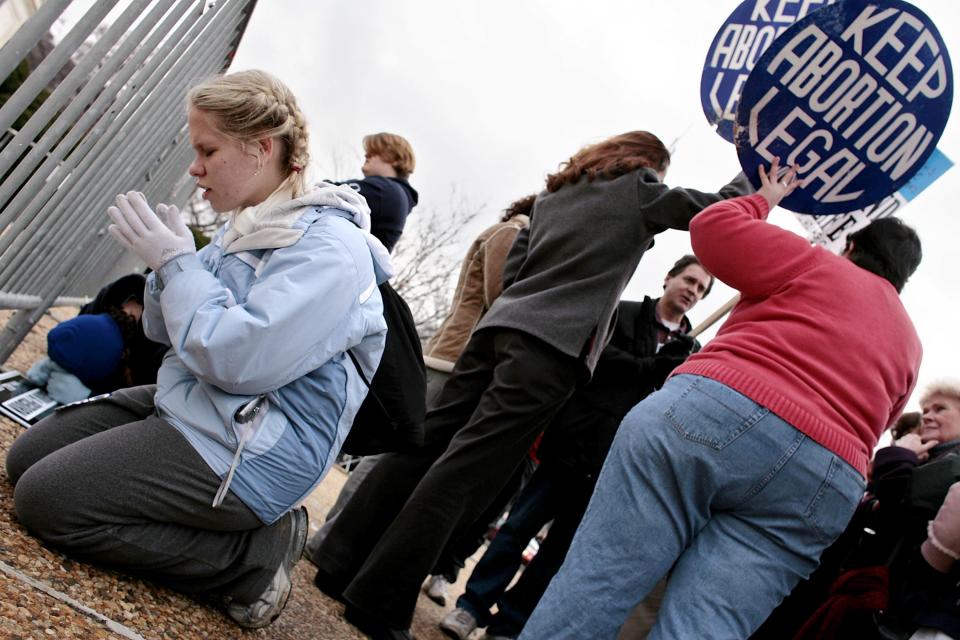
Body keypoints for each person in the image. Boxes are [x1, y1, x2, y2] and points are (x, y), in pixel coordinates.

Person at [311, 130, 751, 639]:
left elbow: (516, 268)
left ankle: (339, 560)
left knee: (427, 443)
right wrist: (758, 183)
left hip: (499, 329)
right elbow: (715, 211)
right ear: (646, 164)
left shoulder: (555, 193)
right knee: (465, 473)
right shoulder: (638, 188)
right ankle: (379, 599)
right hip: (549, 351)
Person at [5, 69, 391, 629]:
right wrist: (166, 267)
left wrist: (179, 264)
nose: (194, 167)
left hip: (255, 447)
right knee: (26, 459)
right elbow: (166, 332)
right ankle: (230, 533)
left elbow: (238, 360)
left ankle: (250, 560)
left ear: (260, 148)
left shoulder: (330, 250)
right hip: (203, 407)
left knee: (48, 502)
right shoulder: (249, 227)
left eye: (207, 150)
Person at [519, 158, 923, 640]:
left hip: (718, 411)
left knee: (601, 579)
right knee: (709, 628)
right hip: (826, 476)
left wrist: (764, 201)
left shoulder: (814, 262)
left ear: (851, 245)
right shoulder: (911, 344)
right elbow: (883, 422)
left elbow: (712, 227)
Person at [440, 255, 713, 640]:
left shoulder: (691, 348)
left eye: (701, 289)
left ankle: (508, 625)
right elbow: (595, 360)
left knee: (558, 552)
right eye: (689, 280)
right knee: (518, 528)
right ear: (669, 277)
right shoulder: (624, 312)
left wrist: (676, 369)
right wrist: (647, 366)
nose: (692, 290)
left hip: (616, 462)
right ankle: (471, 607)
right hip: (573, 441)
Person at [305, 198, 531, 587]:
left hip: (454, 359)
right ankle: (330, 539)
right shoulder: (514, 233)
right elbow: (501, 299)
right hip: (453, 360)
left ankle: (337, 540)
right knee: (392, 458)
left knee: (396, 459)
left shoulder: (509, 231)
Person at [333, 132, 418, 252]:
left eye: (374, 152)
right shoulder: (396, 194)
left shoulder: (386, 191)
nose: (366, 155)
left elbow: (324, 192)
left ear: (395, 158)